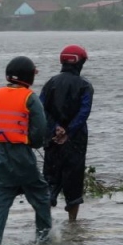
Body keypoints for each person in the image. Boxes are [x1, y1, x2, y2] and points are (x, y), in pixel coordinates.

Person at [0, 56, 52, 245]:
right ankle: (44, 242)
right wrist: (33, 143)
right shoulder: (30, 97)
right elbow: (40, 128)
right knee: (41, 195)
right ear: (29, 77)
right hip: (20, 156)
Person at [40, 44, 94, 221]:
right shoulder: (85, 86)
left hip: (52, 139)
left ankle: (44, 226)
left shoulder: (50, 83)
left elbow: (40, 109)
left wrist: (55, 127)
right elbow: (84, 112)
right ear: (80, 63)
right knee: (74, 184)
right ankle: (73, 225)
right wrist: (68, 131)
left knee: (49, 182)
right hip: (75, 141)